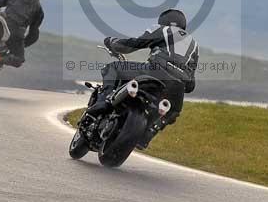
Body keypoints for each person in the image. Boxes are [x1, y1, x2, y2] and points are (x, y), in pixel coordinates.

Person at [85, 8, 199, 148]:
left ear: (163, 21)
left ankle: (103, 102)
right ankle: (148, 134)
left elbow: (132, 45)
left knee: (112, 68)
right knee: (172, 111)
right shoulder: (194, 45)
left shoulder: (163, 29)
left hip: (154, 71)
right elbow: (190, 85)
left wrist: (112, 42)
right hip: (177, 86)